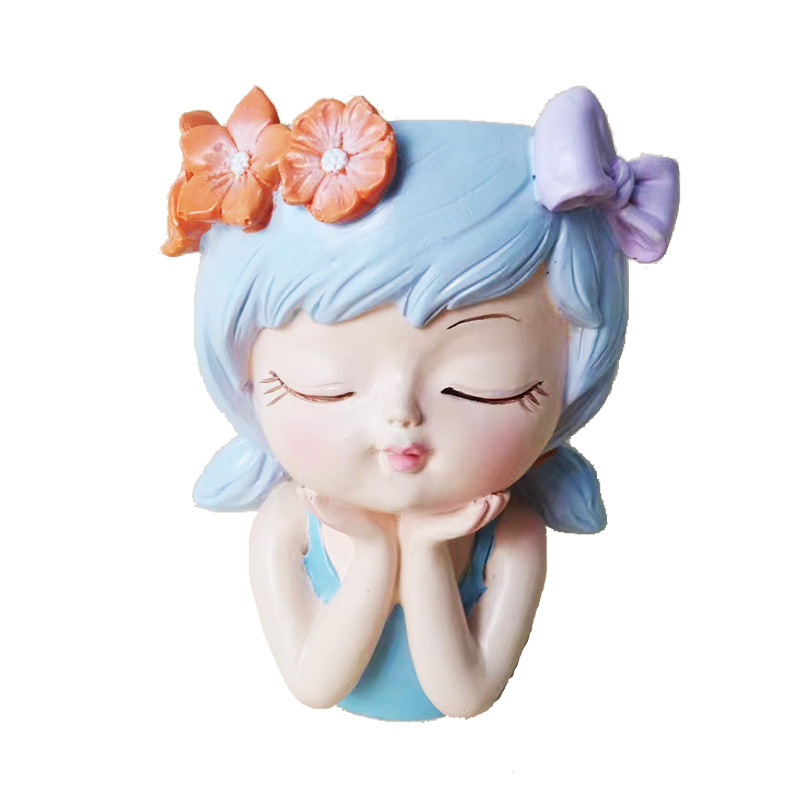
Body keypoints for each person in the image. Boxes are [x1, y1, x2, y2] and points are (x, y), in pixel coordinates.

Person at [162, 86, 679, 719]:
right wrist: (377, 551)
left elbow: (465, 694)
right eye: (326, 386)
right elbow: (315, 685)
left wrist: (429, 551)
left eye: (479, 385)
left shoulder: (511, 528)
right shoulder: (289, 519)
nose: (399, 417)